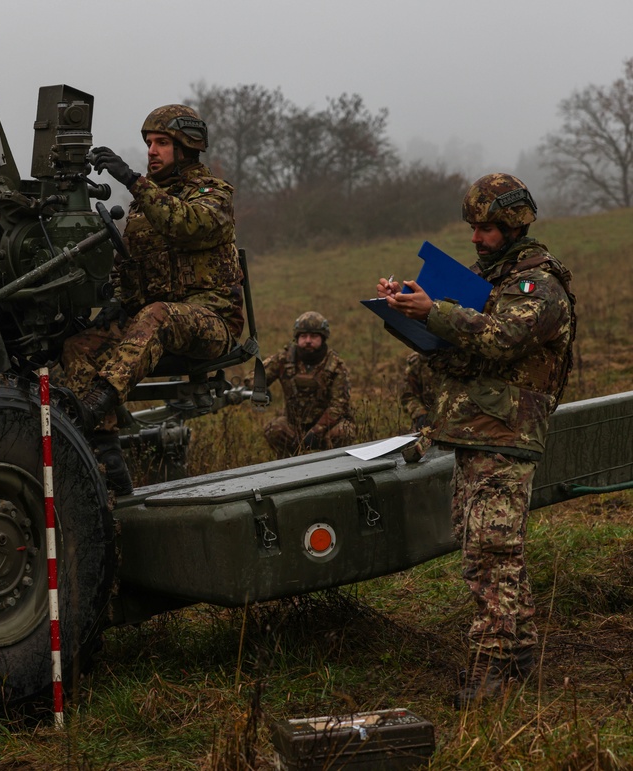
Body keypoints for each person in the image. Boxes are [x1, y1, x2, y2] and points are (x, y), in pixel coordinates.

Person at [376, 173, 575, 709]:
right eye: (473, 227)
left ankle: (490, 675)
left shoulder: (538, 284)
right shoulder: (489, 279)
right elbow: (463, 355)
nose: (476, 237)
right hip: (475, 431)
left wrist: (435, 312)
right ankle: (520, 656)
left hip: (507, 434)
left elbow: (506, 338)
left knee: (490, 555)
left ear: (514, 224)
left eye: (486, 227)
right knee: (488, 549)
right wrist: (407, 310)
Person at [61, 104, 243, 494]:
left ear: (187, 149)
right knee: (79, 345)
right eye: (149, 143)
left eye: (162, 143)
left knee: (158, 314)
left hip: (211, 322)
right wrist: (119, 302)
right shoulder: (143, 207)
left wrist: (132, 179)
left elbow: (185, 224)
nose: (152, 151)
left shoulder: (213, 194)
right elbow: (130, 267)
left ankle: (96, 404)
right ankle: (108, 461)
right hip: (154, 321)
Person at [259, 311, 356, 458]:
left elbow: (338, 406)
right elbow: (257, 376)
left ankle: (335, 468)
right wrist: (258, 388)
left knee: (344, 431)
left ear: (323, 339)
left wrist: (316, 431)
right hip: (295, 426)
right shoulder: (284, 359)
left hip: (328, 427)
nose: (308, 340)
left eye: (314, 336)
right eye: (303, 336)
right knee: (274, 429)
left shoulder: (336, 366)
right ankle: (289, 468)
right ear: (297, 338)